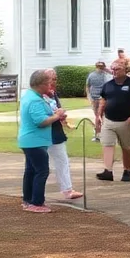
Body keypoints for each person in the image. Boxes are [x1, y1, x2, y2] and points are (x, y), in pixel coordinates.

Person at [18, 68, 67, 213]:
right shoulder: (35, 100)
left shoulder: (30, 95)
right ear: (40, 84)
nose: (50, 85)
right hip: (35, 141)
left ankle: (28, 200)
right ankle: (37, 203)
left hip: (29, 140)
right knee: (42, 171)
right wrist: (57, 115)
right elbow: (41, 121)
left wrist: (54, 114)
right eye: (48, 82)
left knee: (31, 170)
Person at [95, 59, 130, 182]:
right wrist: (98, 116)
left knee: (126, 147)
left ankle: (127, 170)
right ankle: (108, 171)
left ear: (125, 69)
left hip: (125, 122)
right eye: (113, 69)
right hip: (108, 120)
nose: (114, 71)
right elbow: (103, 101)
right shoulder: (108, 85)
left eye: (117, 69)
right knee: (107, 144)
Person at [45, 70, 83, 201]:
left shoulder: (53, 94)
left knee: (63, 161)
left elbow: (57, 110)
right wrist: (57, 115)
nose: (54, 82)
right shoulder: (38, 96)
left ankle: (67, 189)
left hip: (56, 132)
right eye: (51, 79)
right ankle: (33, 192)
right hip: (42, 134)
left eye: (55, 79)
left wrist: (63, 118)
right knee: (41, 165)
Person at [86, 61, 109, 142]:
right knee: (101, 116)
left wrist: (89, 97)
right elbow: (107, 86)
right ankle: (100, 134)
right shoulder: (104, 75)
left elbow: (88, 86)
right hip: (99, 98)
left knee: (98, 116)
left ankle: (98, 134)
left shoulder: (92, 75)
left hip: (97, 98)